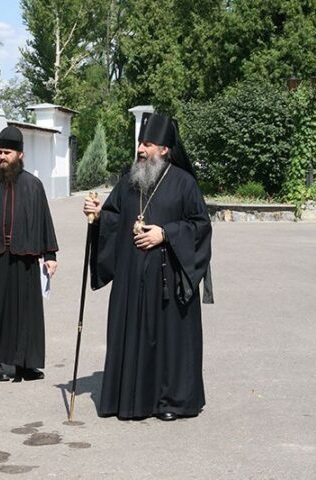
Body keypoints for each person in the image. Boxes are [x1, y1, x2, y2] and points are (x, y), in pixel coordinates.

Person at [83, 112, 213, 421]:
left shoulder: (184, 183)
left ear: (165, 149)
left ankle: (170, 401)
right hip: (131, 277)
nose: (141, 149)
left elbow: (200, 226)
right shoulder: (130, 181)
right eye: (140, 143)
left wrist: (165, 233)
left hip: (167, 279)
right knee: (132, 334)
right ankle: (130, 399)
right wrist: (99, 215)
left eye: (148, 144)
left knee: (168, 340)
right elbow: (115, 215)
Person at [0, 126, 59, 382]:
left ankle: (27, 364)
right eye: (0, 152)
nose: (2, 156)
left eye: (7, 152)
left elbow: (44, 221)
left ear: (20, 155)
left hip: (24, 258)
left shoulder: (33, 185)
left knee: (26, 312)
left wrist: (50, 255)